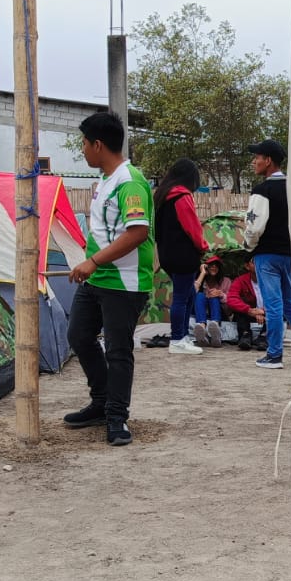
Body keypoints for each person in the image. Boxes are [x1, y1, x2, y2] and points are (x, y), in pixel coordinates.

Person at [64, 111, 155, 445]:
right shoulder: (105, 180)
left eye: (84, 144)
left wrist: (92, 261)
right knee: (79, 335)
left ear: (98, 145)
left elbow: (137, 232)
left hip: (124, 282)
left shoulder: (129, 182)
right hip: (97, 278)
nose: (83, 150)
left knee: (118, 350)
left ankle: (117, 418)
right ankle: (101, 402)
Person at [243, 139, 291, 370]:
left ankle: (274, 355)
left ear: (268, 161)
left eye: (257, 157)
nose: (254, 161)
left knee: (273, 305)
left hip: (267, 254)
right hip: (290, 253)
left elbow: (255, 226)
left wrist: (248, 247)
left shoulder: (262, 190)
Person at [154, 156, 210, 355]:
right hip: (184, 255)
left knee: (189, 294)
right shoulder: (182, 196)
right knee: (181, 297)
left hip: (166, 254)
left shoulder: (162, 196)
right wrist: (203, 246)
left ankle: (183, 336)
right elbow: (192, 227)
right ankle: (177, 339)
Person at [224, 263, 264, 350]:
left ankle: (264, 337)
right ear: (247, 266)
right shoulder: (240, 280)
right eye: (254, 262)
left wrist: (263, 311)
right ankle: (245, 335)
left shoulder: (271, 279)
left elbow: (279, 299)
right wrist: (249, 310)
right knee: (239, 310)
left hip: (266, 313)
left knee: (276, 312)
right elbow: (231, 298)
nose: (258, 263)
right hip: (248, 314)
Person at [192, 254, 229, 348]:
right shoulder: (199, 279)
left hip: (219, 311)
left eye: (216, 265)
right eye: (211, 265)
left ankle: (215, 329)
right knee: (199, 295)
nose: (214, 267)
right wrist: (202, 273)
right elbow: (191, 294)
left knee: (214, 297)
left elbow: (232, 300)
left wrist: (220, 294)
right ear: (205, 266)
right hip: (200, 311)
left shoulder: (226, 281)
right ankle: (202, 328)